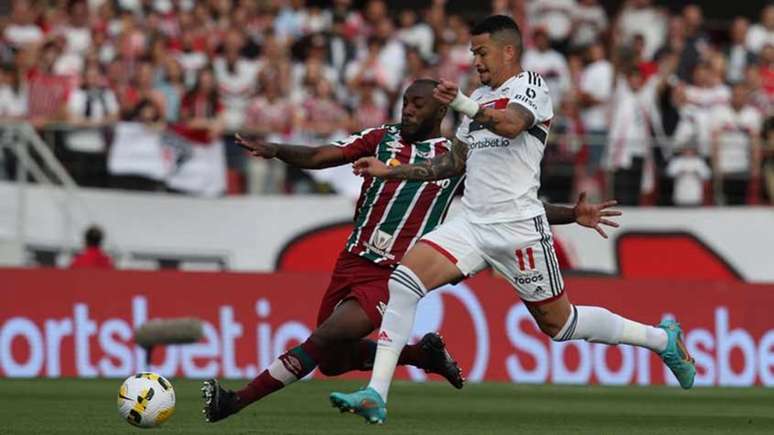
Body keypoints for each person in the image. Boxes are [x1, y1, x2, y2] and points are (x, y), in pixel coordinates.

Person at [330, 15, 695, 425]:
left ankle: (662, 339)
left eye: (481, 52)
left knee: (562, 325)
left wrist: (462, 103)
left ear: (508, 51)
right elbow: (453, 163)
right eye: (472, 53)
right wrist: (389, 170)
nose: (476, 61)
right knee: (403, 282)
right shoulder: (478, 99)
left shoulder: (531, 87)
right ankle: (376, 394)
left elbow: (511, 125)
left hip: (519, 229)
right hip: (472, 224)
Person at [200, 79, 620, 423]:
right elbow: (323, 154)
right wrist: (276, 150)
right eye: (405, 102)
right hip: (351, 260)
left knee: (324, 338)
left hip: (393, 272)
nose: (408, 110)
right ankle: (423, 355)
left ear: (440, 113)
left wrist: (572, 214)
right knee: (330, 361)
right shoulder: (381, 138)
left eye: (418, 104)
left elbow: (516, 209)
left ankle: (233, 402)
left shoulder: (456, 157)